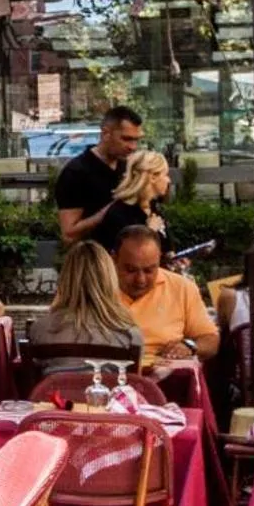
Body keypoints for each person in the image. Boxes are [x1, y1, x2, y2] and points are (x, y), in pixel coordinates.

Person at [27, 241, 145, 371]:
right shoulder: (129, 335)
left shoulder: (39, 330)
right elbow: (134, 386)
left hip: (58, 391)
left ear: (66, 278)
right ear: (109, 279)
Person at [113, 226, 219, 361]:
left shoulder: (181, 288)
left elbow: (210, 339)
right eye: (131, 270)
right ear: (114, 259)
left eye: (149, 270)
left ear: (159, 259)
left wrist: (189, 346)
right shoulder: (94, 287)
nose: (140, 280)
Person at [54, 105, 145, 249]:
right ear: (106, 134)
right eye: (126, 139)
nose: (132, 147)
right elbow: (69, 234)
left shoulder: (129, 167)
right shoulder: (76, 172)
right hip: (94, 262)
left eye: (136, 140)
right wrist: (113, 210)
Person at [97, 149, 171, 253]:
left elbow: (166, 246)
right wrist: (149, 232)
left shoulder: (154, 209)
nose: (169, 180)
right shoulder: (119, 214)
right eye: (166, 174)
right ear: (153, 177)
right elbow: (129, 257)